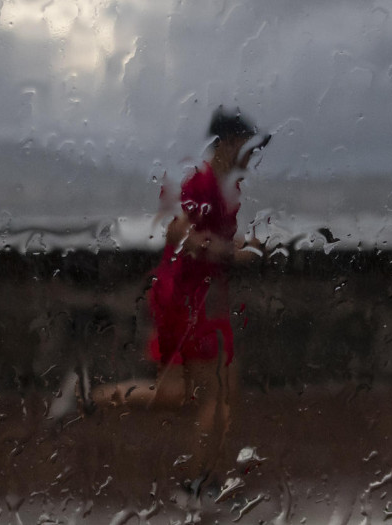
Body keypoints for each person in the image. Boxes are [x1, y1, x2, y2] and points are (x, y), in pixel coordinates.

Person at [90, 106, 270, 488]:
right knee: (219, 392)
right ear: (228, 144)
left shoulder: (217, 187)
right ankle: (202, 485)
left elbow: (206, 238)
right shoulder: (199, 184)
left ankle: (88, 397)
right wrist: (230, 251)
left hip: (184, 299)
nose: (252, 155)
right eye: (247, 147)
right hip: (188, 303)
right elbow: (178, 233)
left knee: (174, 394)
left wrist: (243, 245)